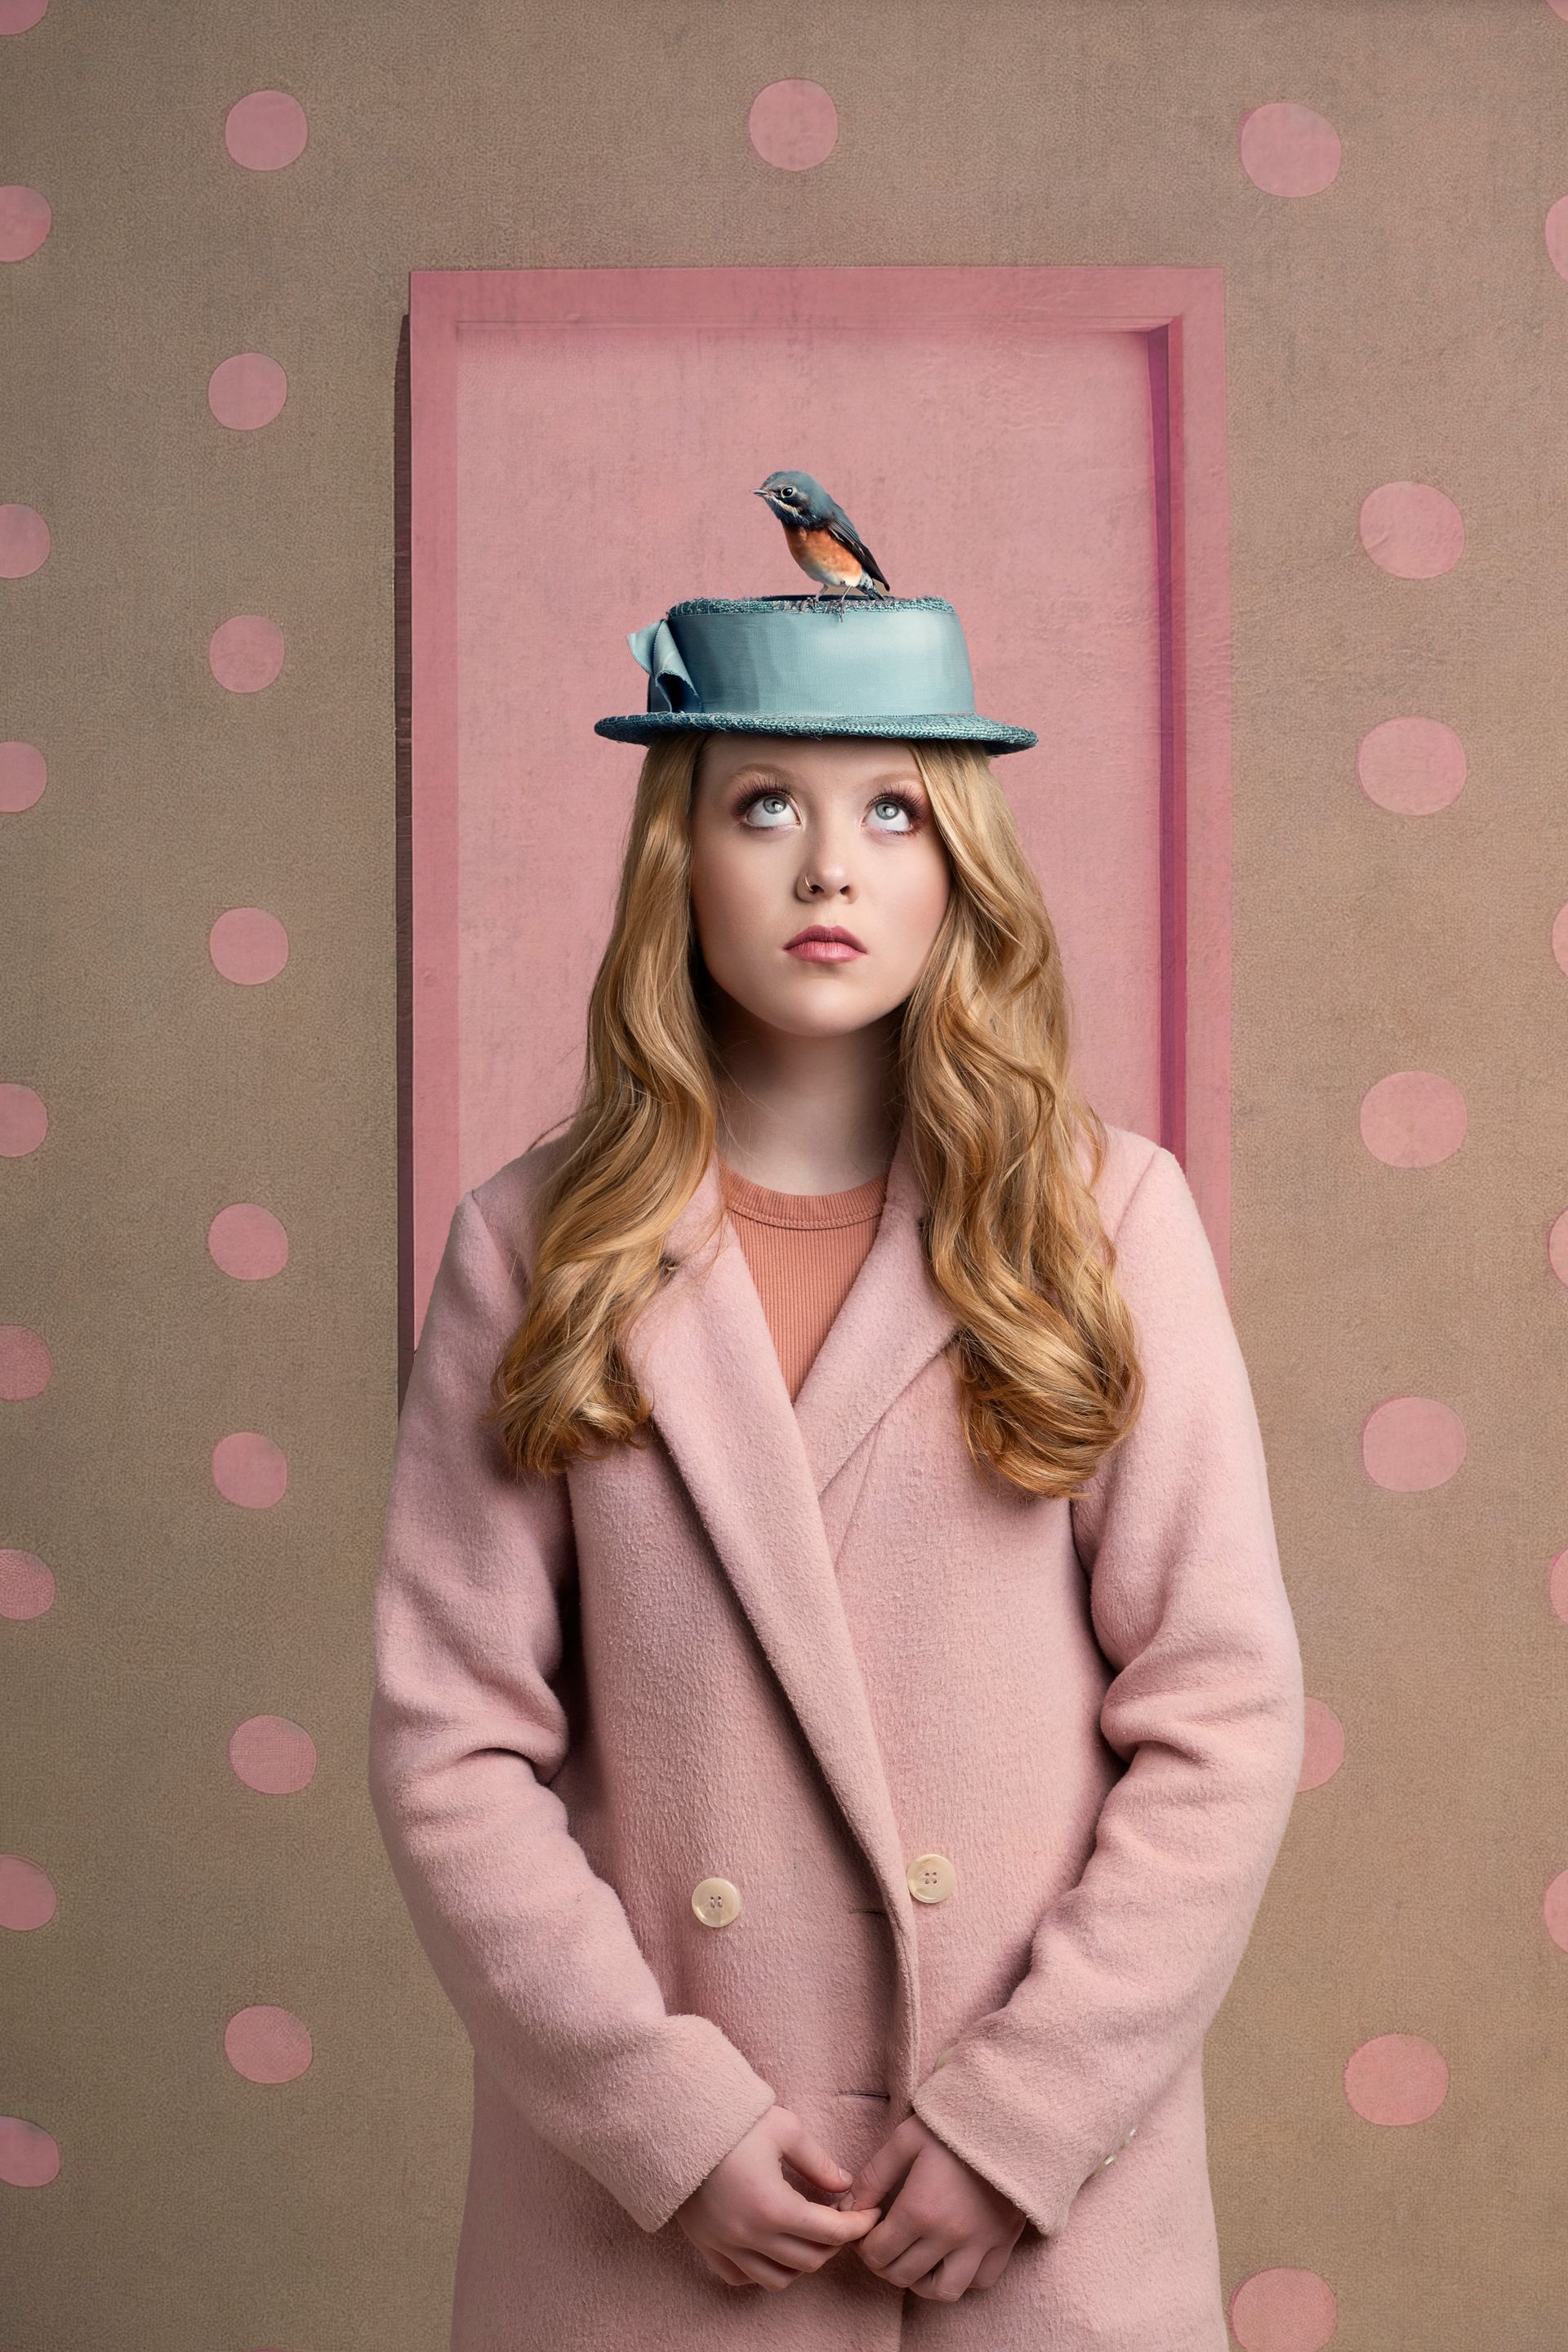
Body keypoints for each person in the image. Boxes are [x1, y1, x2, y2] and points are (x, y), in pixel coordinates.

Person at [368, 588, 1306, 2351]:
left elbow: (1223, 1715)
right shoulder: (532, 1246)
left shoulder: (1102, 1224)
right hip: (665, 2221)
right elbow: (451, 1745)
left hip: (1035, 2214)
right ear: (680, 857)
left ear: (960, 865)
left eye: (891, 808)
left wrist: (1026, 2118)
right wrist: (664, 2118)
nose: (830, 871)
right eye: (763, 805)